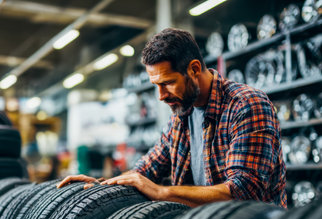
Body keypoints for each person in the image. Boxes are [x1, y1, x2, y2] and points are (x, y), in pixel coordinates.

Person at [57, 28, 286, 208]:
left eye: (167, 83)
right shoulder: (181, 116)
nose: (161, 96)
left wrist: (162, 192)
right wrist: (99, 187)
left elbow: (243, 193)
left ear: (194, 69)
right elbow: (144, 171)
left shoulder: (246, 105)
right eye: (156, 85)